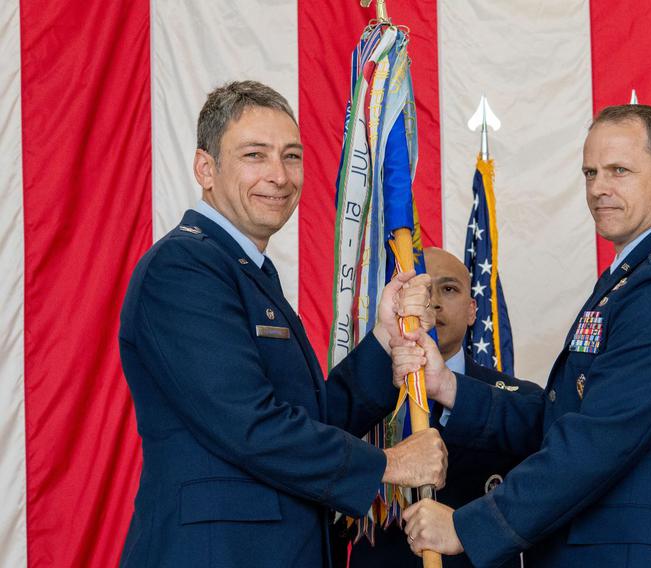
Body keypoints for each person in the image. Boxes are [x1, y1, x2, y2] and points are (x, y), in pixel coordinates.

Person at [118, 80, 447, 568]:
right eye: (255, 155)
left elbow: (307, 417)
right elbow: (251, 425)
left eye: (291, 156)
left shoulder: (244, 269)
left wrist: (384, 338)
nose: (279, 175)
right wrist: (390, 464)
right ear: (205, 168)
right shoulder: (183, 268)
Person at [396, 105, 651, 567]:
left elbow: (599, 438)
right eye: (590, 172)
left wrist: (468, 526)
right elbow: (565, 414)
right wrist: (448, 386)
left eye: (619, 171)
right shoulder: (629, 278)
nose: (599, 188)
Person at [347, 247, 539, 568]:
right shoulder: (364, 392)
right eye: (419, 291)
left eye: (448, 289)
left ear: (472, 310)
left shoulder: (518, 401)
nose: (432, 301)